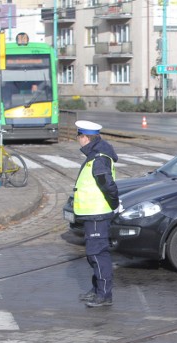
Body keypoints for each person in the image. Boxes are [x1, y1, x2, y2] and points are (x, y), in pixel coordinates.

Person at [73, 120, 120, 308]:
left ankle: (104, 294)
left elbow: (107, 184)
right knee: (94, 254)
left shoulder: (98, 158)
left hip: (97, 214)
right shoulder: (95, 154)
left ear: (85, 137)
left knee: (98, 254)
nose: (78, 140)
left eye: (78, 136)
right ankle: (97, 289)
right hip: (92, 214)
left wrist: (114, 203)